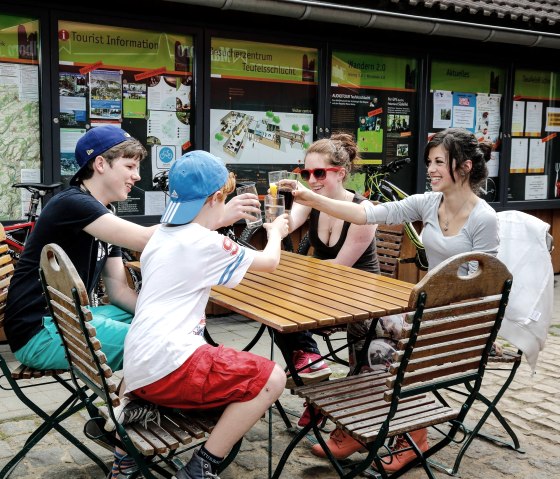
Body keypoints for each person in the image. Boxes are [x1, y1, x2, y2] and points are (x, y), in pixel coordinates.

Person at [293, 127, 499, 473]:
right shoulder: (428, 203)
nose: (430, 169)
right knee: (367, 329)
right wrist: (312, 198)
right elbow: (366, 214)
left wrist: (434, 308)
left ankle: (408, 434)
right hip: (428, 313)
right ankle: (366, 426)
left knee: (381, 346)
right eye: (429, 162)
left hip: (464, 324)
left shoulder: (484, 218)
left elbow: (487, 284)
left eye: (439, 162)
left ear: (463, 167)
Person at [122, 150, 289, 479]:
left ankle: (127, 455)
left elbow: (198, 232)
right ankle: (202, 466)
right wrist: (276, 233)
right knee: (273, 378)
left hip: (138, 365)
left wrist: (223, 217)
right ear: (215, 197)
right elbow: (269, 262)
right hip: (169, 367)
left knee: (223, 363)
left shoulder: (161, 235)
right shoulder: (206, 243)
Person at [282, 133, 379, 397]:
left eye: (320, 173)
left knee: (283, 307)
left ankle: (314, 378)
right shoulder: (312, 201)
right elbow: (288, 224)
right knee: (273, 308)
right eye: (306, 173)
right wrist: (274, 217)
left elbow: (340, 267)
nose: (312, 180)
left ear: (341, 173)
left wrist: (298, 278)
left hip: (361, 295)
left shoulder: (363, 210)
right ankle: (313, 371)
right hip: (325, 288)